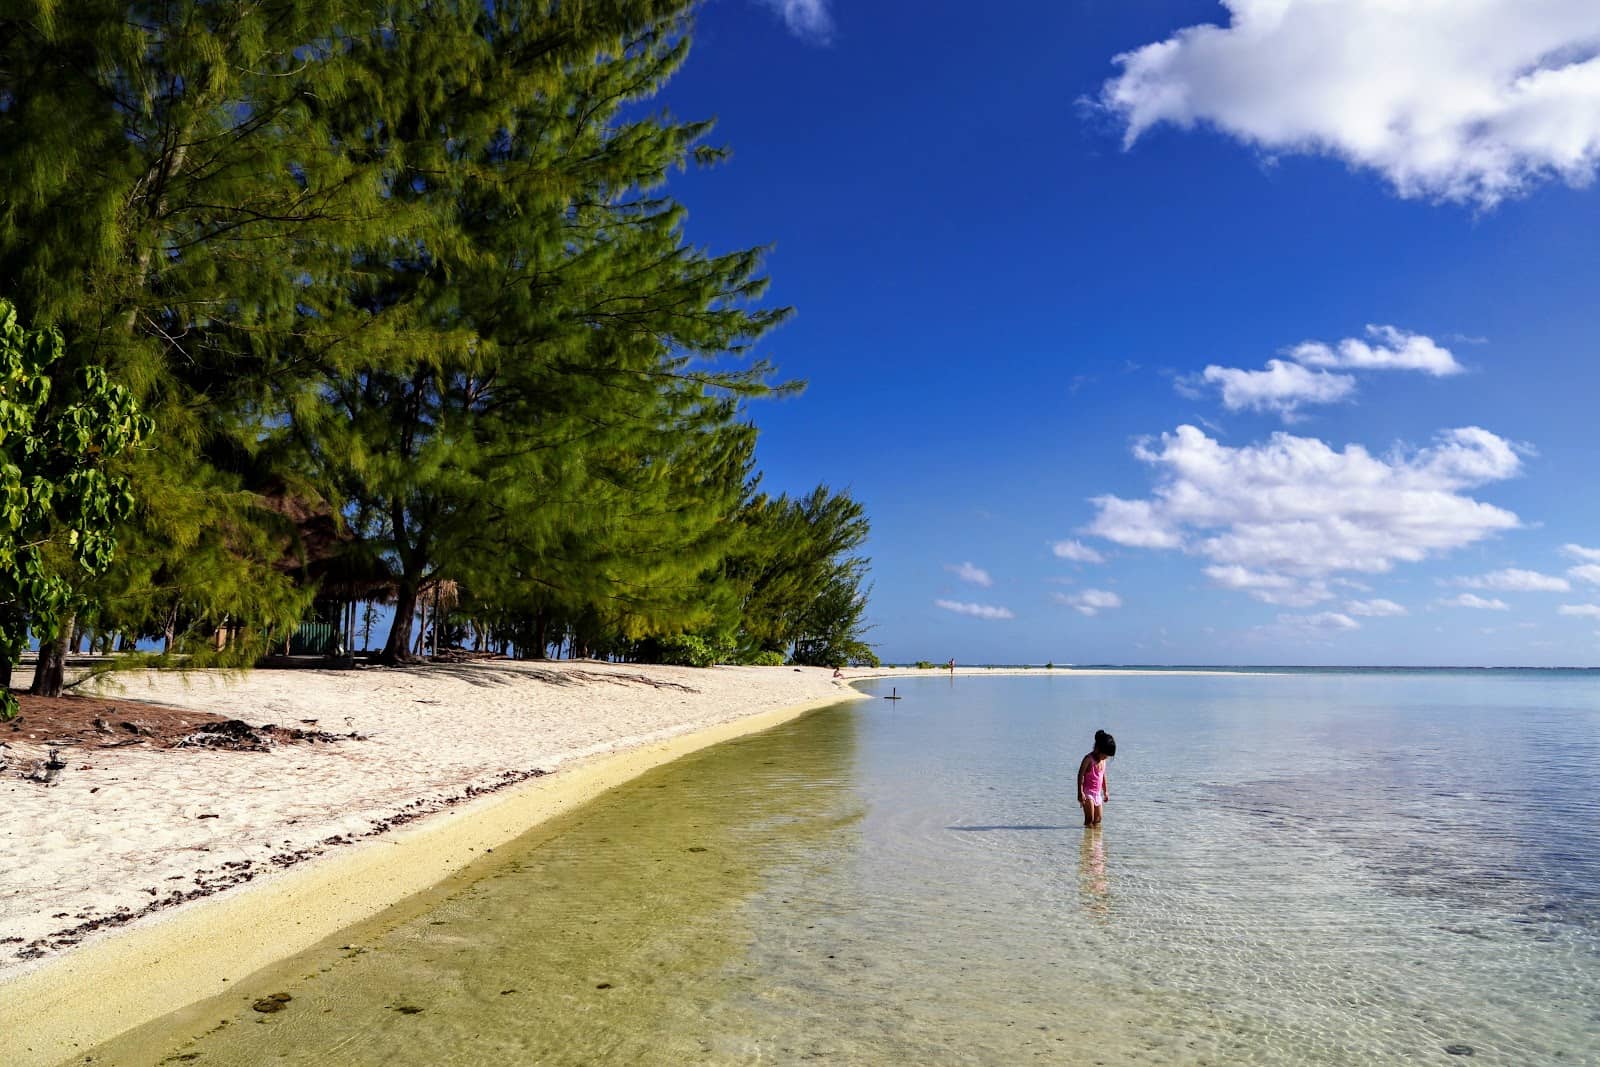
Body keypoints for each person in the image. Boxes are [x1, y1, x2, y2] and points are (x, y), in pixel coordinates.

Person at [1076, 729, 1116, 828]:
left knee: (1098, 820)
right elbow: (1080, 775)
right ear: (1098, 748)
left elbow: (1103, 776)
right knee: (1090, 819)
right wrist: (1080, 792)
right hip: (1087, 793)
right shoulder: (1088, 759)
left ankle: (1094, 841)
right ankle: (1087, 840)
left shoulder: (1103, 761)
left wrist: (1106, 791)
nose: (1106, 758)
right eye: (1105, 755)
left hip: (1097, 794)